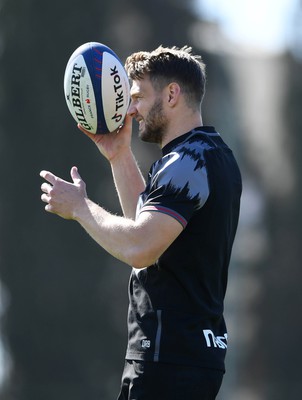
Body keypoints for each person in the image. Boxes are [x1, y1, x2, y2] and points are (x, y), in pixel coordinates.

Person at [40, 45, 242, 400]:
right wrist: (119, 154)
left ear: (173, 94)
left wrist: (81, 208)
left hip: (170, 361)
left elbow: (140, 246)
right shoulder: (211, 155)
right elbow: (150, 223)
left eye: (138, 96)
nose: (130, 109)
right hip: (186, 358)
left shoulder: (186, 161)